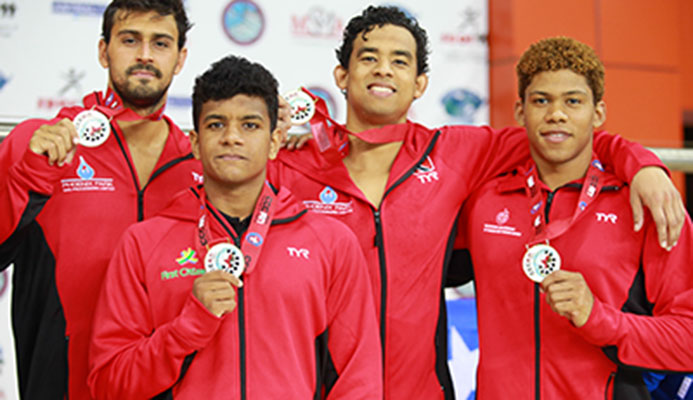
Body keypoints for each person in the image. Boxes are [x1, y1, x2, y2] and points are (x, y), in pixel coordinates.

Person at [270, 6, 686, 399]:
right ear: (341, 75)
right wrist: (265, 137)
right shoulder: (289, 164)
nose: (383, 69)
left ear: (420, 84)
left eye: (400, 60)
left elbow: (567, 140)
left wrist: (644, 164)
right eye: (369, 58)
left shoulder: (453, 153)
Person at [87, 55, 381, 399]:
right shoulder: (143, 243)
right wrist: (186, 329)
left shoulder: (329, 243)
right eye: (216, 124)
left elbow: (358, 380)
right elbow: (109, 384)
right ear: (195, 143)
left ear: (274, 142)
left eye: (250, 125)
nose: (231, 137)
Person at [456, 36, 693, 399]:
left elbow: (687, 342)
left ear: (598, 113)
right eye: (541, 101)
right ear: (520, 111)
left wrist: (599, 319)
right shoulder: (484, 200)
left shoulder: (645, 206)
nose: (557, 114)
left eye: (573, 101)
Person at [0, 1, 198, 398]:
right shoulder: (39, 143)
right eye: (130, 40)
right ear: (103, 50)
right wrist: (29, 175)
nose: (145, 54)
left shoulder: (199, 164)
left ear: (180, 59)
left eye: (160, 43)